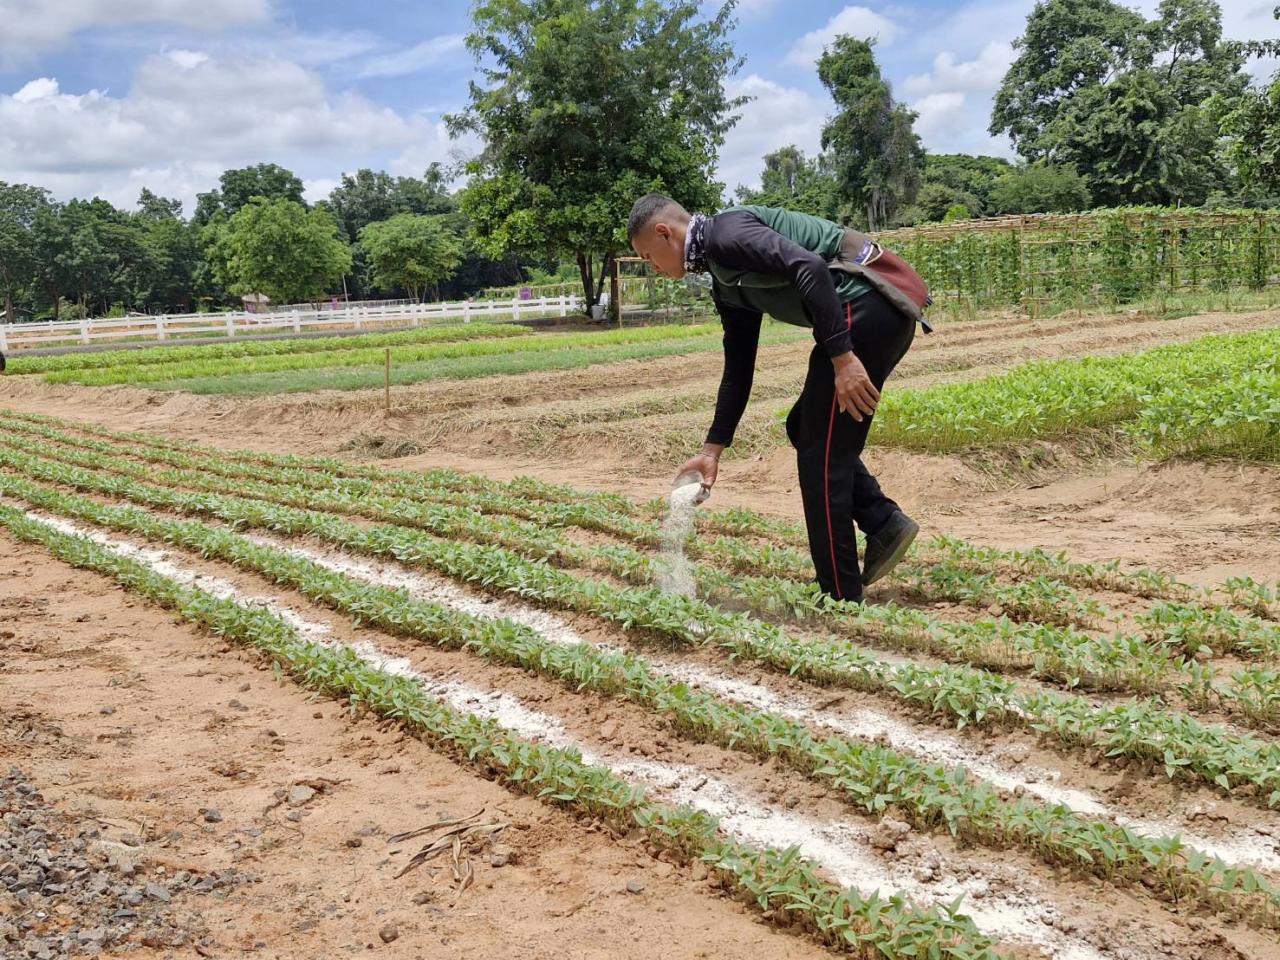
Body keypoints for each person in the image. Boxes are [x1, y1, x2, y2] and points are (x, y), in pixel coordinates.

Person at [627, 194, 931, 603]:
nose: (654, 268)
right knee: (804, 428)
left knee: (822, 455)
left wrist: (843, 359)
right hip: (864, 312)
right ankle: (883, 522)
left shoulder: (725, 233)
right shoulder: (722, 275)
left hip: (868, 304)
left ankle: (839, 595)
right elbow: (738, 367)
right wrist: (712, 450)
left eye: (649, 256)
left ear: (665, 232)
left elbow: (808, 267)